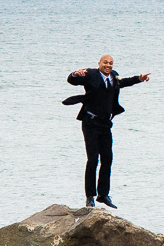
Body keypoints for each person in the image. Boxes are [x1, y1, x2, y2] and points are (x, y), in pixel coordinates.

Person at [63, 55, 150, 208]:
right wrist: (75, 74)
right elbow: (72, 81)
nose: (108, 65)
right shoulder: (91, 74)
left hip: (105, 124)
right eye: (105, 63)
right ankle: (90, 196)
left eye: (110, 63)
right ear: (99, 64)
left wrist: (139, 78)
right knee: (92, 160)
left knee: (107, 159)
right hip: (90, 122)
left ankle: (103, 195)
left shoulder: (113, 76)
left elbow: (123, 83)